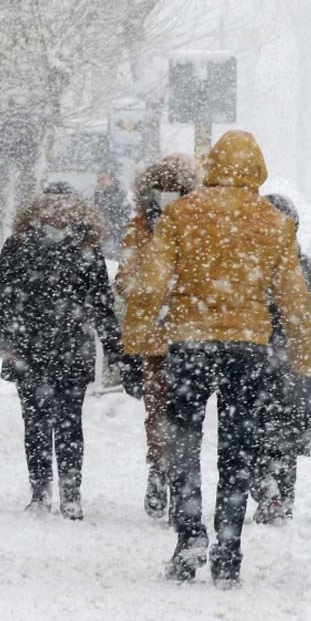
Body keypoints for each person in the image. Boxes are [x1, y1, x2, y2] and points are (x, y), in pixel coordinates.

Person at [126, 130, 311, 587]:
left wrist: (139, 336)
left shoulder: (180, 215)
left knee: (185, 443)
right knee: (237, 448)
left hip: (190, 344)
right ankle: (229, 545)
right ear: (257, 169)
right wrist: (302, 353)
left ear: (212, 166)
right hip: (247, 349)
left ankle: (189, 534)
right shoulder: (274, 223)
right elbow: (293, 296)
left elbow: (151, 283)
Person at [0, 192, 139, 520]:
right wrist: (8, 344)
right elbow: (0, 297)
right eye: (50, 207)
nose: (57, 213)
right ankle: (40, 491)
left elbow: (101, 306)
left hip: (72, 351)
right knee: (36, 423)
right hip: (29, 350)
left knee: (70, 424)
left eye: (65, 208)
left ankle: (71, 493)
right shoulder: (19, 245)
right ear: (38, 210)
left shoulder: (87, 249)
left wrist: (117, 352)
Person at [116, 153, 201, 522]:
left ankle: (176, 476)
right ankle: (160, 469)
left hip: (188, 334)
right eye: (162, 191)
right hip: (157, 336)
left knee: (183, 414)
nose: (168, 198)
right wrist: (147, 288)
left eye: (175, 190)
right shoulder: (140, 228)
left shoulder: (199, 224)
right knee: (158, 411)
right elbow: (124, 278)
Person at [246, 194, 311, 524]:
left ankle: (263, 485)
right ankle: (281, 499)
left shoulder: (247, 263)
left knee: (250, 435)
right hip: (293, 364)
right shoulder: (303, 265)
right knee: (284, 442)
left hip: (256, 360)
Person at [93, 165, 130, 260]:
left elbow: (123, 215)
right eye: (99, 180)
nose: (101, 182)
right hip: (103, 233)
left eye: (104, 179)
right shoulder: (98, 193)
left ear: (112, 180)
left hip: (114, 234)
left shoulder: (118, 194)